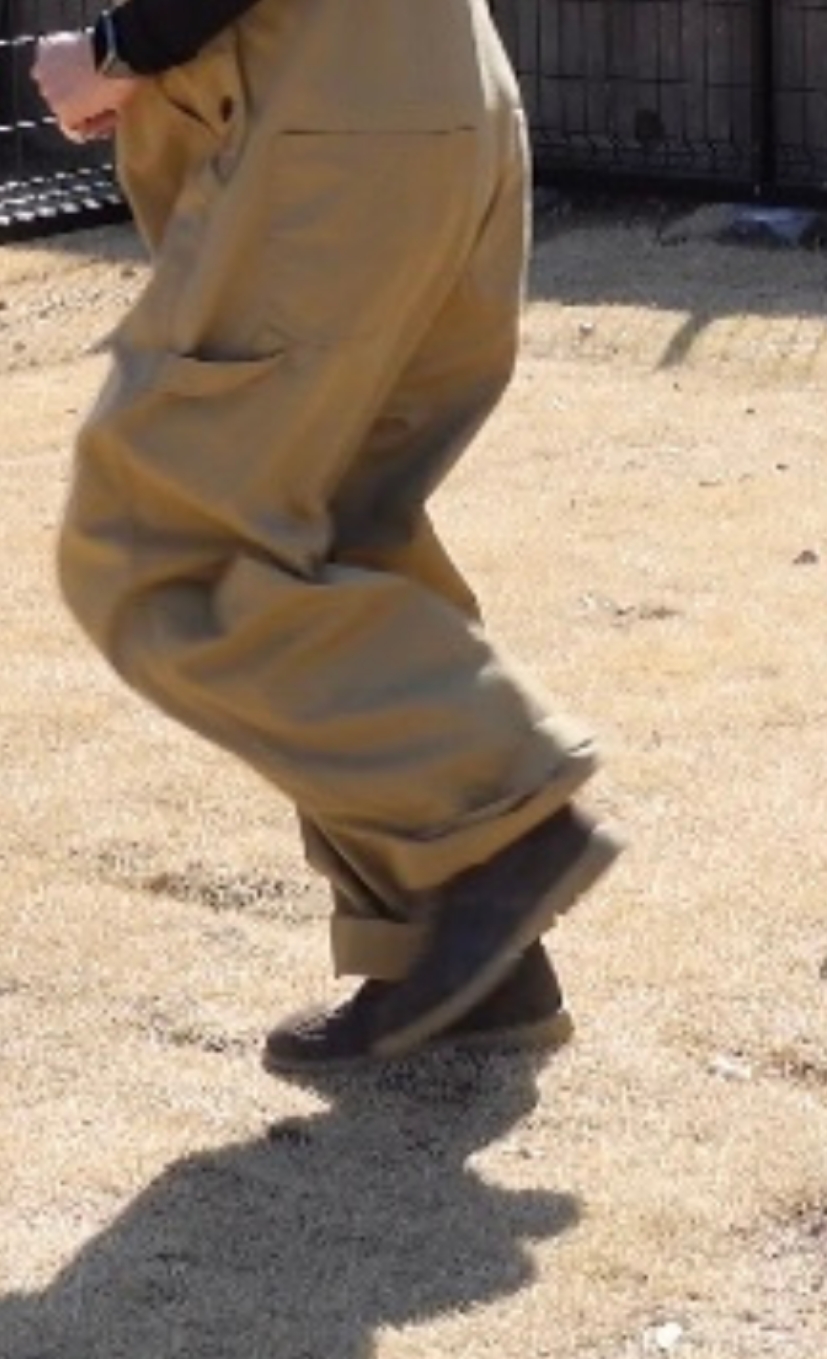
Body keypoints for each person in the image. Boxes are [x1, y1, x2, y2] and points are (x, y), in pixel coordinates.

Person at [31, 0, 619, 1072]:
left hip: (331, 127)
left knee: (159, 544)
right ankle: (462, 951)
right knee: (328, 531)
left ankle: (500, 816)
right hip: (431, 98)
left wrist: (126, 44)